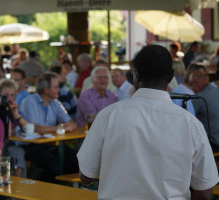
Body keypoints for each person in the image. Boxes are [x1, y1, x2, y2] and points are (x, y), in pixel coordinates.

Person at [78, 45, 218, 199]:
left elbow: (86, 176)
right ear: (171, 77)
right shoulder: (191, 124)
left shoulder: (108, 116)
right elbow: (204, 192)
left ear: (135, 75)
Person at [21, 72, 78, 181]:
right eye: (56, 87)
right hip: (31, 144)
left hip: (50, 143)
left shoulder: (55, 102)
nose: (59, 90)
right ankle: (42, 186)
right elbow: (36, 128)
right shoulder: (30, 102)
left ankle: (47, 181)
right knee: (56, 167)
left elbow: (70, 122)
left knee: (78, 161)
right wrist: (60, 128)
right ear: (46, 90)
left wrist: (69, 125)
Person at [0, 78, 28, 177]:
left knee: (19, 153)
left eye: (12, 95)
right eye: (5, 95)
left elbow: (29, 129)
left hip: (11, 146)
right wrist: (8, 114)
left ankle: (19, 185)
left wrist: (17, 115)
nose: (9, 98)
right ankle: (18, 184)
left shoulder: (14, 108)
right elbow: (7, 134)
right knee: (18, 153)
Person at [189, 64, 219, 153]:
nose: (190, 88)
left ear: (196, 83)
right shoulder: (216, 90)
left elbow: (187, 118)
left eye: (191, 85)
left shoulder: (199, 98)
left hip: (214, 144)